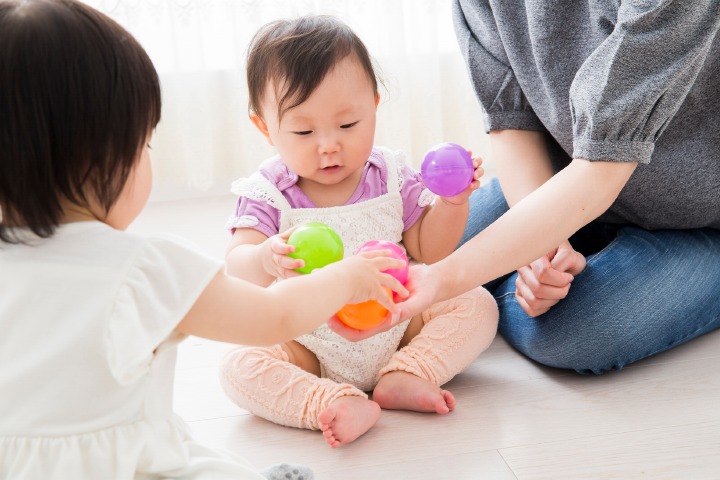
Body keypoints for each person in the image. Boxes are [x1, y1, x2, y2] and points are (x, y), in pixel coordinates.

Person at [0, 2, 409, 479]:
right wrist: (345, 278)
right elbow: (272, 318)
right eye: (144, 145)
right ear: (106, 159)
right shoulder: (145, 268)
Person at [364, 0, 720, 375]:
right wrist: (542, 251)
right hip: (569, 180)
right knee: (415, 253)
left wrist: (446, 281)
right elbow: (512, 123)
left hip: (696, 218)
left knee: (560, 330)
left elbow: (603, 166)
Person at [219, 15, 499, 448]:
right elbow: (238, 268)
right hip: (306, 343)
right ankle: (329, 400)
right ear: (265, 127)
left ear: (373, 103)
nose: (328, 144)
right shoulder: (268, 192)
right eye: (303, 130)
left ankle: (407, 371)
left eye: (348, 125)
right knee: (239, 365)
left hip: (396, 322)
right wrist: (262, 257)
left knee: (477, 304)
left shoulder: (389, 174)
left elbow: (430, 248)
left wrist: (453, 202)